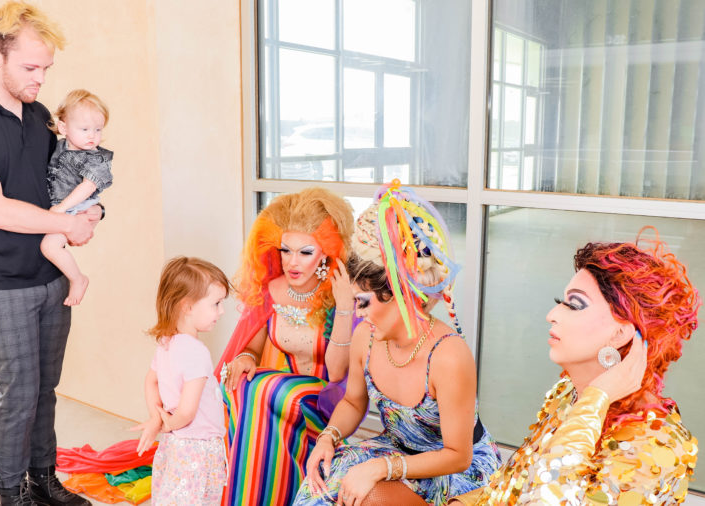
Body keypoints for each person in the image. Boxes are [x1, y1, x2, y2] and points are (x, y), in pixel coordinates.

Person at [0, 3, 99, 505]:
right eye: (30, 69)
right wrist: (66, 224)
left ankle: (43, 479)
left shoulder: (37, 118)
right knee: (19, 397)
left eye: (46, 69)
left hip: (50, 275)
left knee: (46, 391)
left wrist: (92, 215)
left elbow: (64, 187)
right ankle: (12, 494)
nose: (40, 79)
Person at [449, 230, 700, 504]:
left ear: (619, 334)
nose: (552, 314)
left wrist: (595, 402)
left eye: (574, 305)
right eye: (561, 302)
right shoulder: (569, 392)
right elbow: (516, 485)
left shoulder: (656, 445)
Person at [295, 181, 501, 506]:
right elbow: (352, 402)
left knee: (369, 495)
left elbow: (457, 456)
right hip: (398, 454)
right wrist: (327, 437)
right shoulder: (365, 337)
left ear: (401, 297)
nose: (358, 313)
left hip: (453, 469)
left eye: (362, 302)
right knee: (320, 487)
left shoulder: (448, 356)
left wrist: (381, 468)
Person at [216, 187, 356, 505]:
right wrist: (244, 357)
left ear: (326, 253)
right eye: (285, 250)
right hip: (282, 394)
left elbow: (337, 373)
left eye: (305, 252)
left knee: (268, 388)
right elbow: (251, 347)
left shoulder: (340, 295)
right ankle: (263, 491)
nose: (292, 262)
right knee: (239, 384)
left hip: (327, 402)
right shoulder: (272, 290)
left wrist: (346, 307)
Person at [131, 257, 230, 505]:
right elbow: (187, 412)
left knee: (173, 496)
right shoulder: (196, 352)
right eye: (216, 304)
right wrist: (168, 423)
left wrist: (157, 417)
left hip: (176, 445)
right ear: (187, 306)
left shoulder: (166, 342)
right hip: (199, 449)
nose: (222, 311)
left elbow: (150, 381)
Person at [41, 89, 113, 306]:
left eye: (98, 130)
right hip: (64, 206)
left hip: (77, 205)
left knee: (49, 247)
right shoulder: (59, 146)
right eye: (84, 129)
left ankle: (78, 279)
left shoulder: (96, 157)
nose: (92, 136)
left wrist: (62, 208)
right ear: (63, 127)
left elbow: (88, 186)